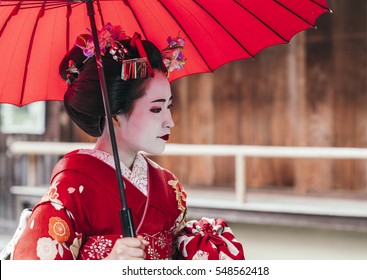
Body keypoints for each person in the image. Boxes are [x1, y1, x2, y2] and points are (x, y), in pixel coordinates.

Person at [9, 24, 244, 260]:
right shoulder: (71, 188)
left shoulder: (169, 187)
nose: (169, 121)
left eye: (168, 106)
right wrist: (108, 266)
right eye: (156, 109)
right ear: (114, 113)